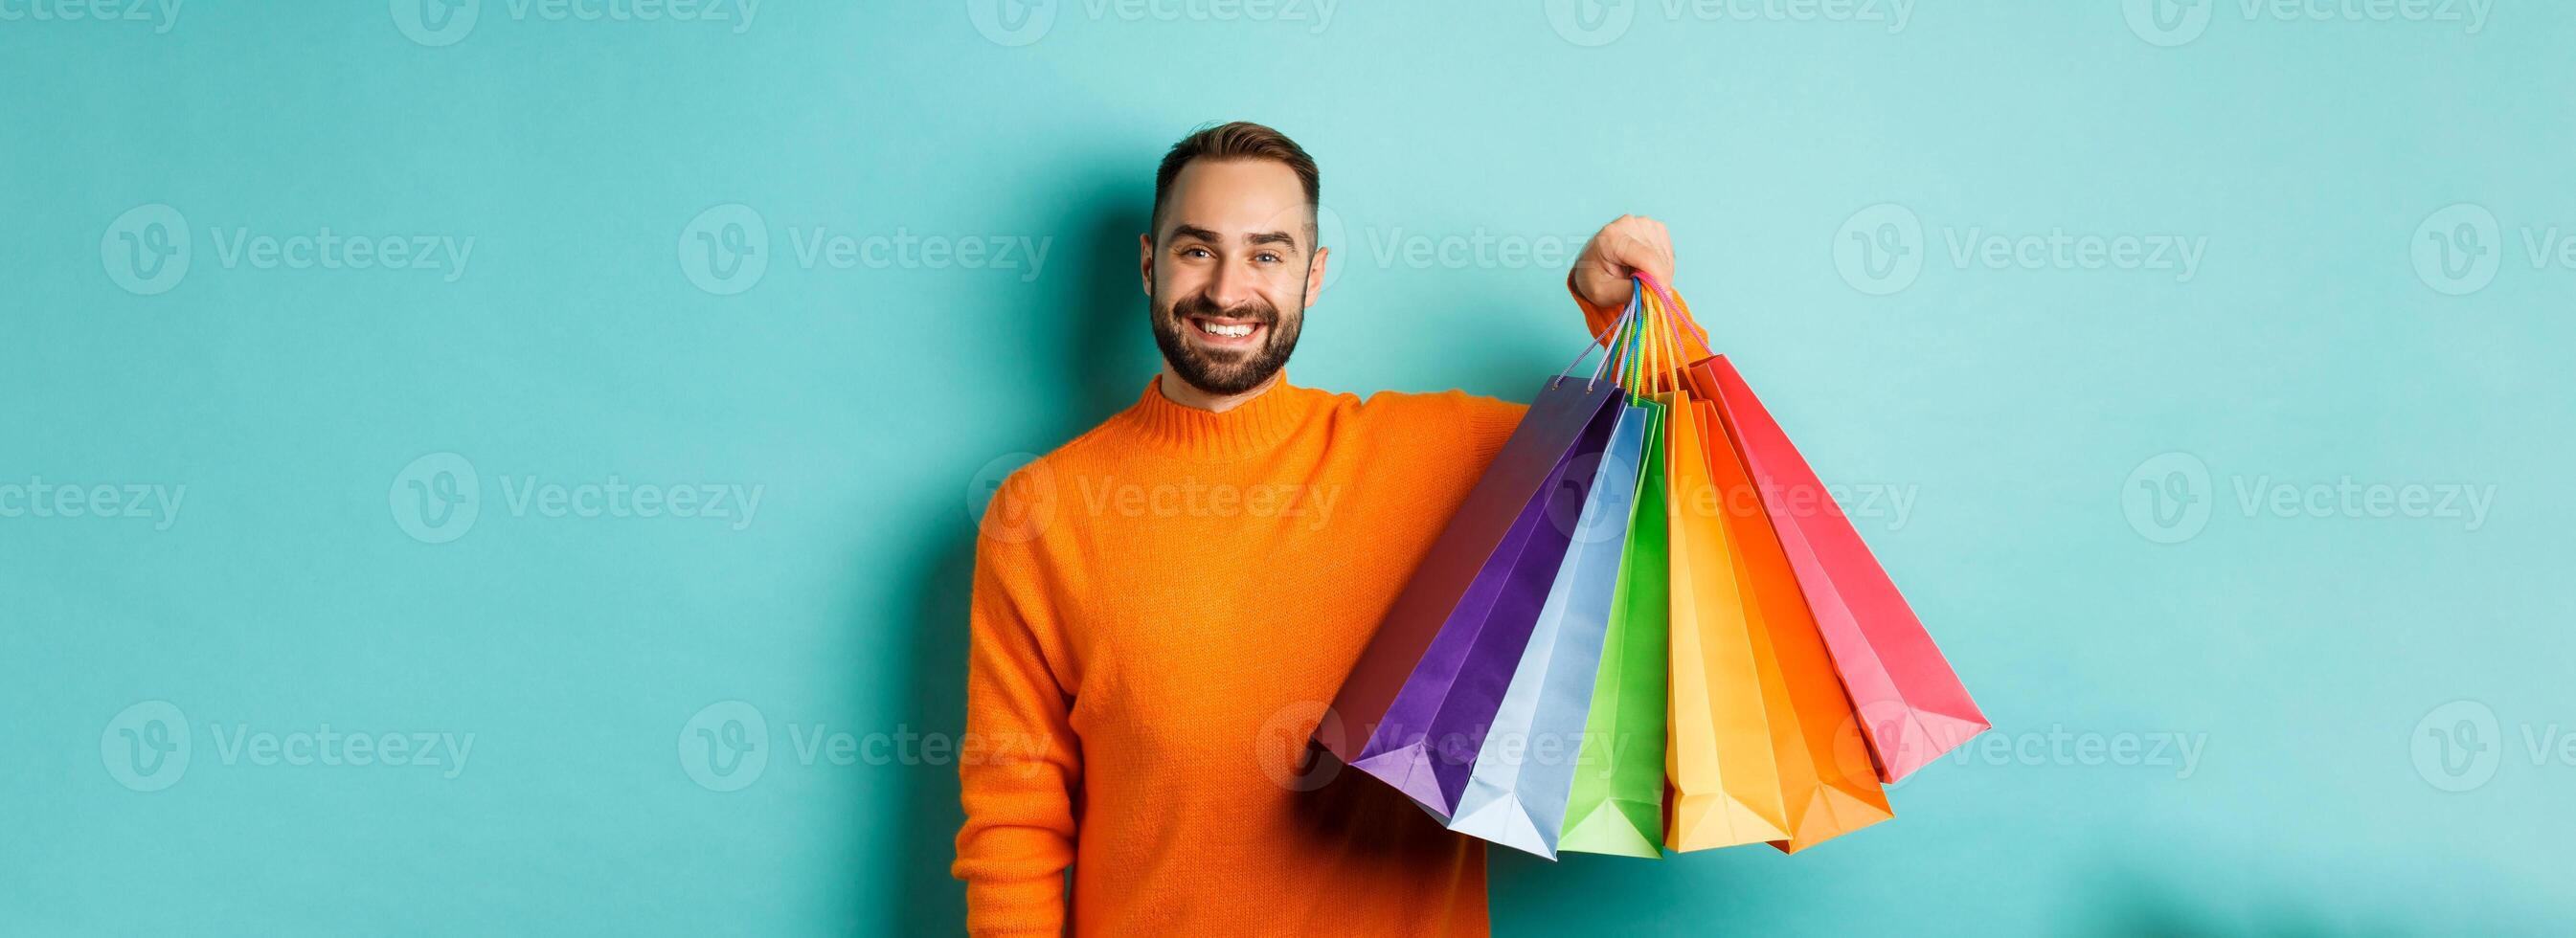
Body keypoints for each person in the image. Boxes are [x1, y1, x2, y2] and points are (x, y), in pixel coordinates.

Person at [952, 120, 1701, 936]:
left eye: (1267, 254)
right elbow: (1013, 819)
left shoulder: (1445, 458)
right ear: (1148, 263)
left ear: (1313, 278)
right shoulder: (1041, 514)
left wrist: (1622, 315)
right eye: (1197, 250)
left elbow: (1677, 470)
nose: (1228, 291)